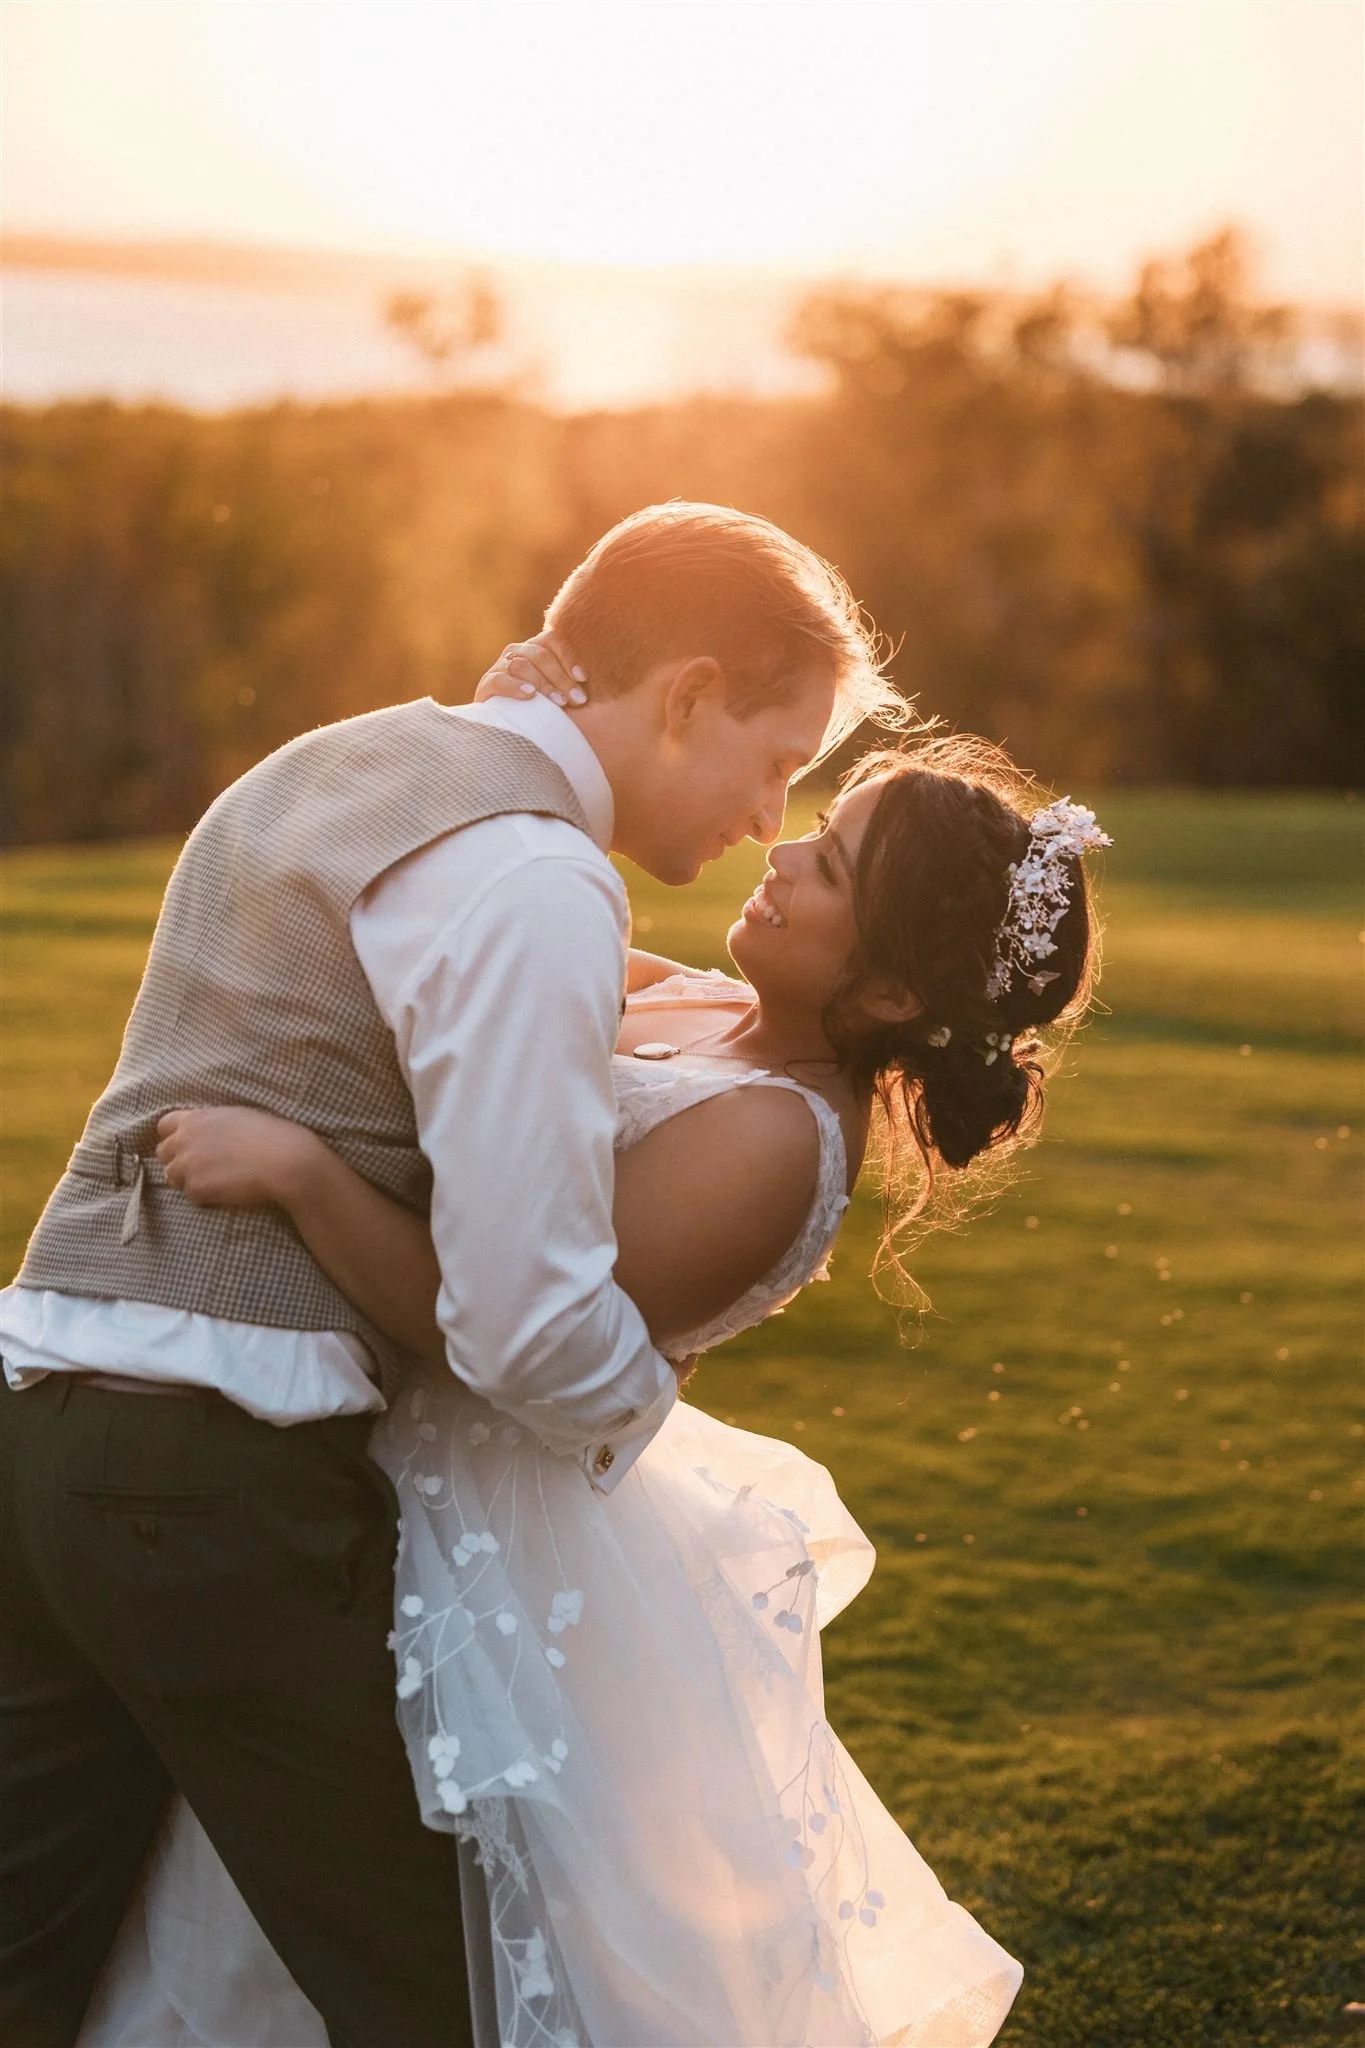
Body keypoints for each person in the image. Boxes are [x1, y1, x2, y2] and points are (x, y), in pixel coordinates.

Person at [0, 503, 901, 2048]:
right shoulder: (538, 881)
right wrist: (649, 1409)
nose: (771, 816)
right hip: (219, 1467)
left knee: (31, 1958)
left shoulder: (346, 761)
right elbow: (525, 1322)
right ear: (683, 693)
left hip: (44, 1414)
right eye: (775, 758)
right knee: (457, 1989)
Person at [80, 716, 1108, 2046]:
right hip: (382, 1452)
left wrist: (301, 1173)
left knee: (353, 1919)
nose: (784, 853)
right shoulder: (700, 1004)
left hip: (480, 1527)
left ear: (894, 998)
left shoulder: (774, 1146)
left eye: (834, 868)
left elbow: (498, 1331)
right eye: (817, 830)